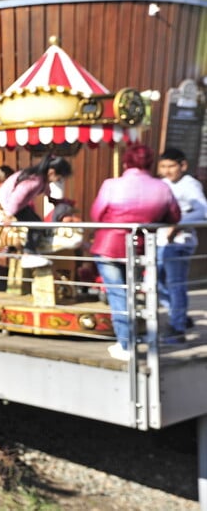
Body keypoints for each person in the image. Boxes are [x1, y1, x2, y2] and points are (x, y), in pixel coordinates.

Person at [90, 144, 180, 361]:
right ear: (150, 163)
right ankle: (142, 341)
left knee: (118, 295)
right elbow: (174, 216)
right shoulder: (162, 188)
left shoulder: (112, 185)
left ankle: (126, 344)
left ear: (125, 163)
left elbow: (96, 214)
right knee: (133, 294)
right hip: (140, 248)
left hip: (109, 246)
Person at [155, 148, 207, 343]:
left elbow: (203, 211)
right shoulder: (162, 184)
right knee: (157, 282)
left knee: (176, 285)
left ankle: (177, 327)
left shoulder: (189, 185)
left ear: (182, 166)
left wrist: (178, 224)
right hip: (161, 241)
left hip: (179, 242)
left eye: (171, 166)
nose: (167, 171)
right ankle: (180, 316)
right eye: (163, 166)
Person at [0, 155, 72, 266]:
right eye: (60, 177)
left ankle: (30, 251)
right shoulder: (34, 180)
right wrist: (8, 215)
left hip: (17, 202)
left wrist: (50, 198)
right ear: (51, 172)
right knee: (36, 226)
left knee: (36, 222)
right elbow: (18, 196)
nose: (60, 180)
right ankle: (28, 254)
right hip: (9, 201)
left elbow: (46, 188)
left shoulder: (41, 178)